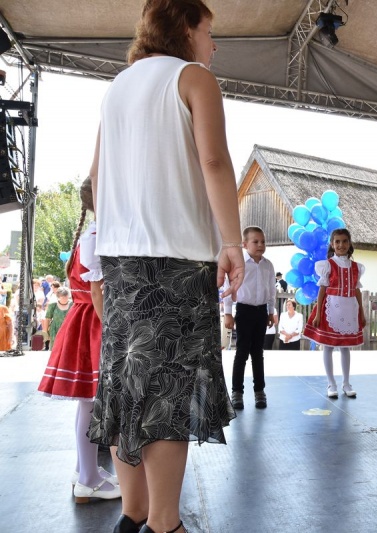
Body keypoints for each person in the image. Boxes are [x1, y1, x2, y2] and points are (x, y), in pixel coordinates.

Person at [86, 1, 245, 532]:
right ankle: (166, 524)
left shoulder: (117, 87)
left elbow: (96, 176)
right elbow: (215, 161)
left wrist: (104, 247)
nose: (213, 45)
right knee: (168, 393)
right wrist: (231, 242)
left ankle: (133, 516)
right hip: (176, 261)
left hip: (120, 261)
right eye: (209, 31)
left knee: (126, 384)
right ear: (184, 27)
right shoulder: (193, 78)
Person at [38, 178, 121, 504]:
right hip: (94, 323)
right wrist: (112, 329)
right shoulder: (97, 237)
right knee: (93, 402)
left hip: (84, 319)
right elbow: (98, 293)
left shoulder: (90, 235)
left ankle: (84, 470)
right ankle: (87, 478)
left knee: (88, 402)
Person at [304, 228, 366, 399]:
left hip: (349, 309)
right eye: (337, 242)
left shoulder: (356, 267)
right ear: (332, 244)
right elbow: (322, 290)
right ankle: (331, 383)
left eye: (344, 241)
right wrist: (318, 314)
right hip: (331, 308)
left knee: (345, 347)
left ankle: (346, 383)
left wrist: (361, 312)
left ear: (349, 243)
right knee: (329, 346)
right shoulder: (327, 265)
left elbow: (357, 291)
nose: (341, 245)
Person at [223, 226, 277, 410]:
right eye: (256, 242)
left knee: (258, 353)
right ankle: (237, 392)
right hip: (244, 311)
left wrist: (271, 311)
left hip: (261, 312)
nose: (260, 245)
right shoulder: (240, 264)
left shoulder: (268, 265)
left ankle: (259, 391)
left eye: (263, 241)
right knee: (242, 353)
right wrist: (228, 313)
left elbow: (271, 290)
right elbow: (229, 287)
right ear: (245, 244)